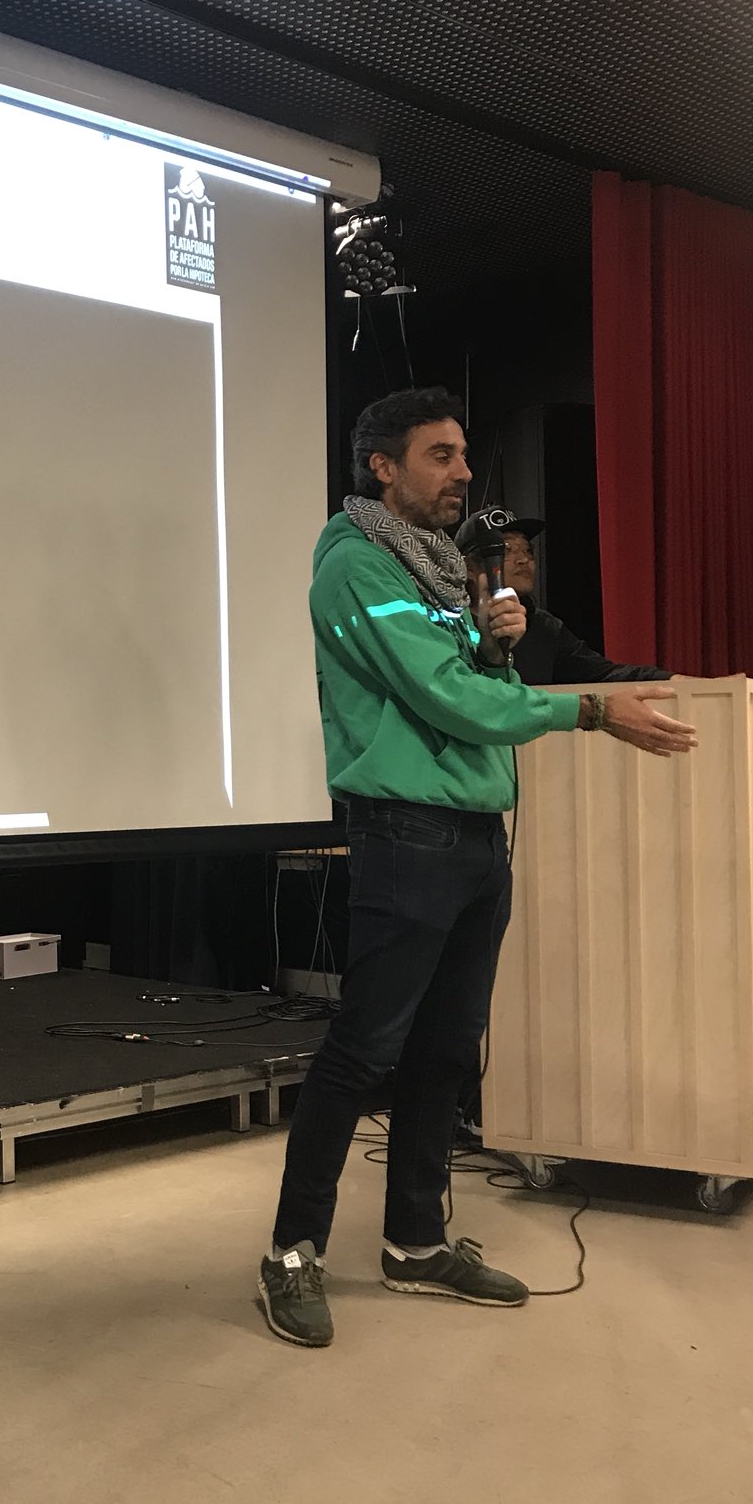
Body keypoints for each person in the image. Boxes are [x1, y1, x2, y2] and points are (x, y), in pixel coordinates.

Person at [259, 388, 696, 1348]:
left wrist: (501, 651)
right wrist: (590, 710)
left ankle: (416, 1243)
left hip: (472, 836)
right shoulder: (356, 565)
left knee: (448, 1051)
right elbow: (445, 700)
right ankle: (292, 1252)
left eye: (462, 453)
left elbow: (474, 687)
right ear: (382, 467)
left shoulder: (434, 570)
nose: (463, 472)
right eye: (440, 455)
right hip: (407, 835)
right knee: (364, 1051)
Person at [453, 507, 670, 688]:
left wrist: (670, 679)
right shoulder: (449, 625)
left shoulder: (544, 626)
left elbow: (604, 673)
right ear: (469, 567)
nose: (523, 559)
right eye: (506, 550)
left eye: (527, 550)